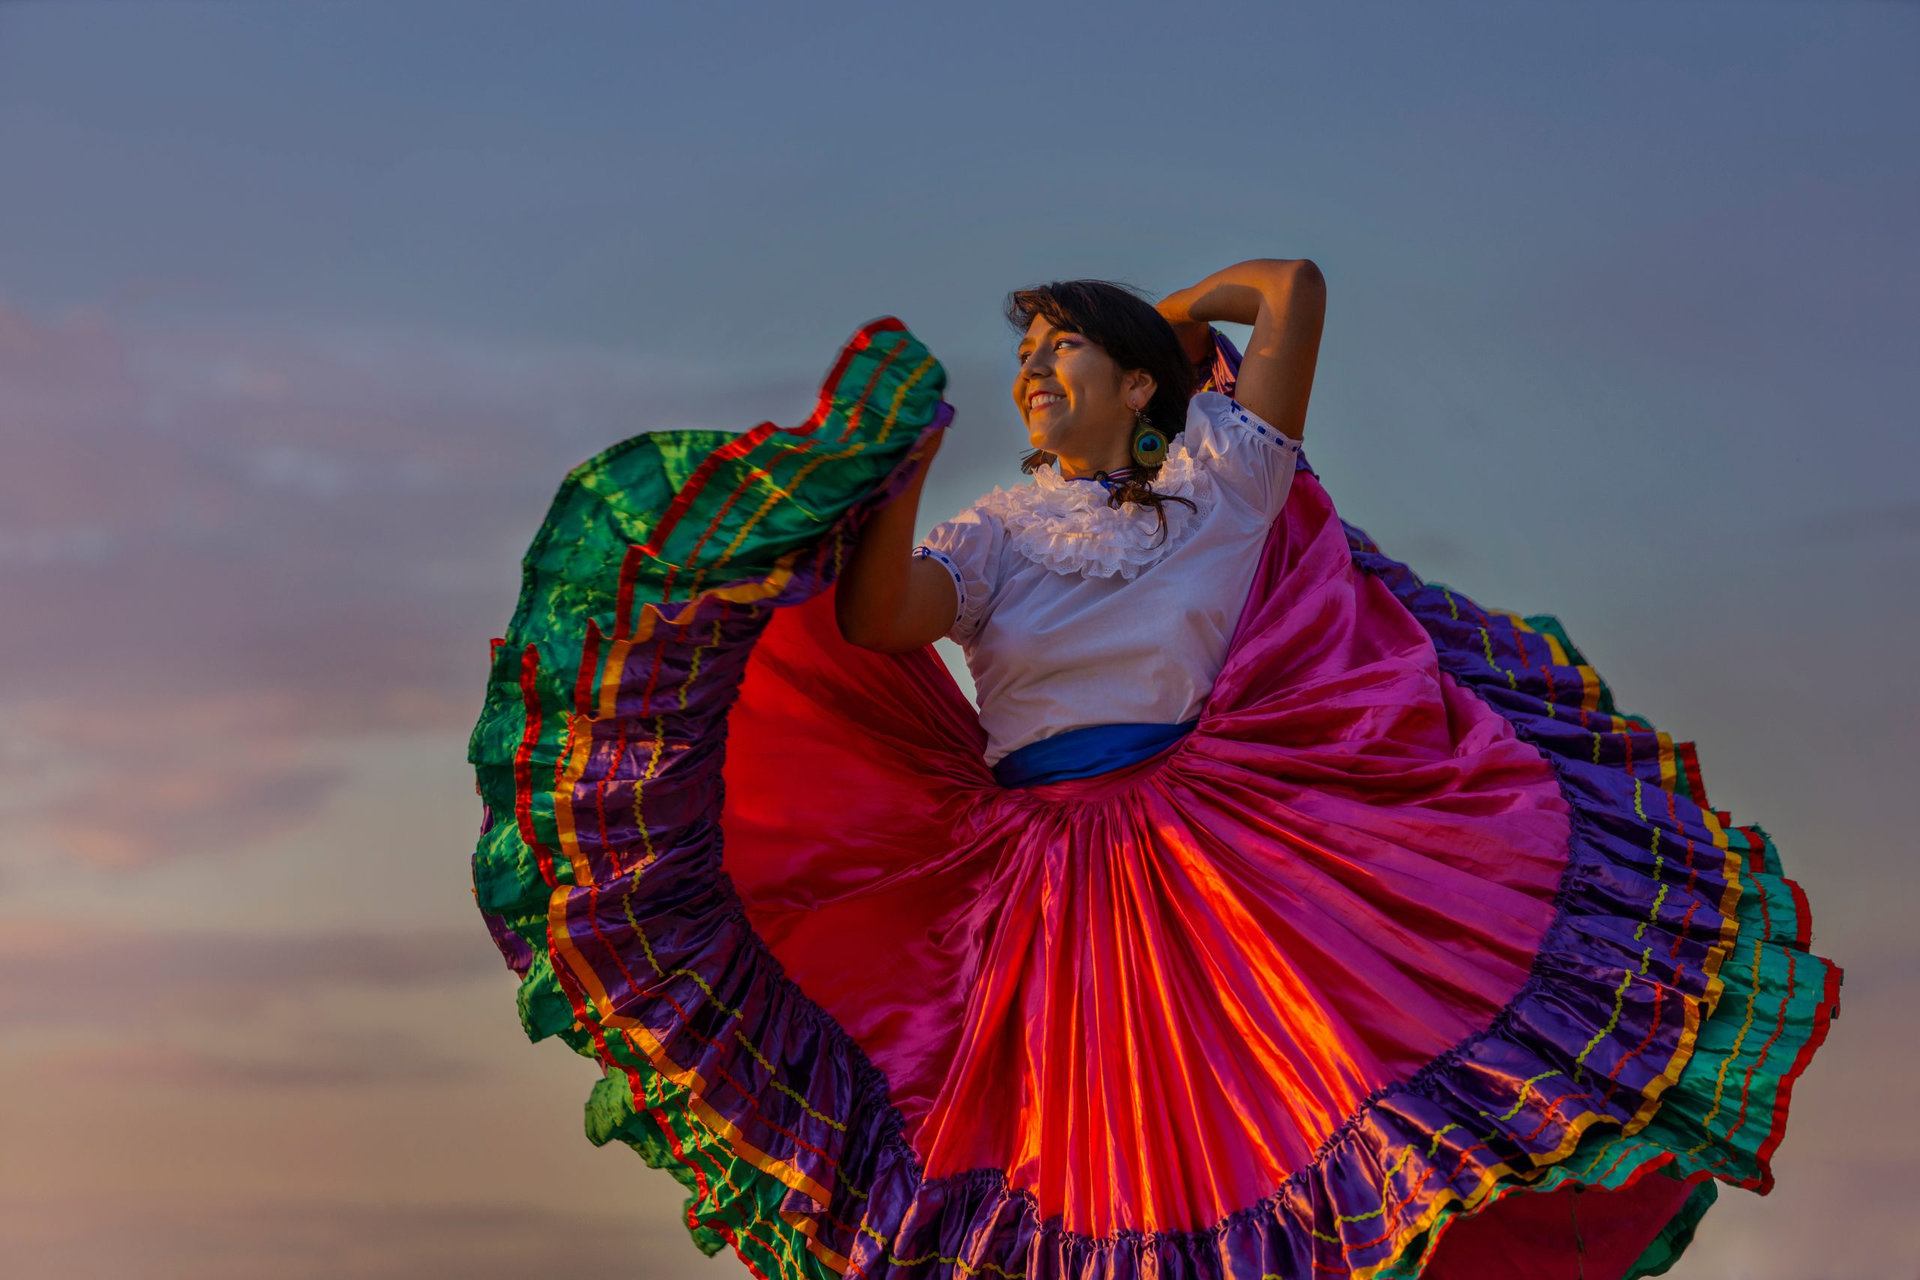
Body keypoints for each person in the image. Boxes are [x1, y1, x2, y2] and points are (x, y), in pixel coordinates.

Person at [468, 263, 1839, 1280]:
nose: (1034, 372)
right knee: (1097, 1167)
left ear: (1138, 390)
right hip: (1040, 878)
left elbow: (1289, 288)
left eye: (1065, 354)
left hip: (1216, 851)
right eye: (1028, 358)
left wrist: (1160, 330)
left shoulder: (1223, 482)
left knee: (1280, 1119)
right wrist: (897, 479)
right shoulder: (997, 527)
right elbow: (885, 623)